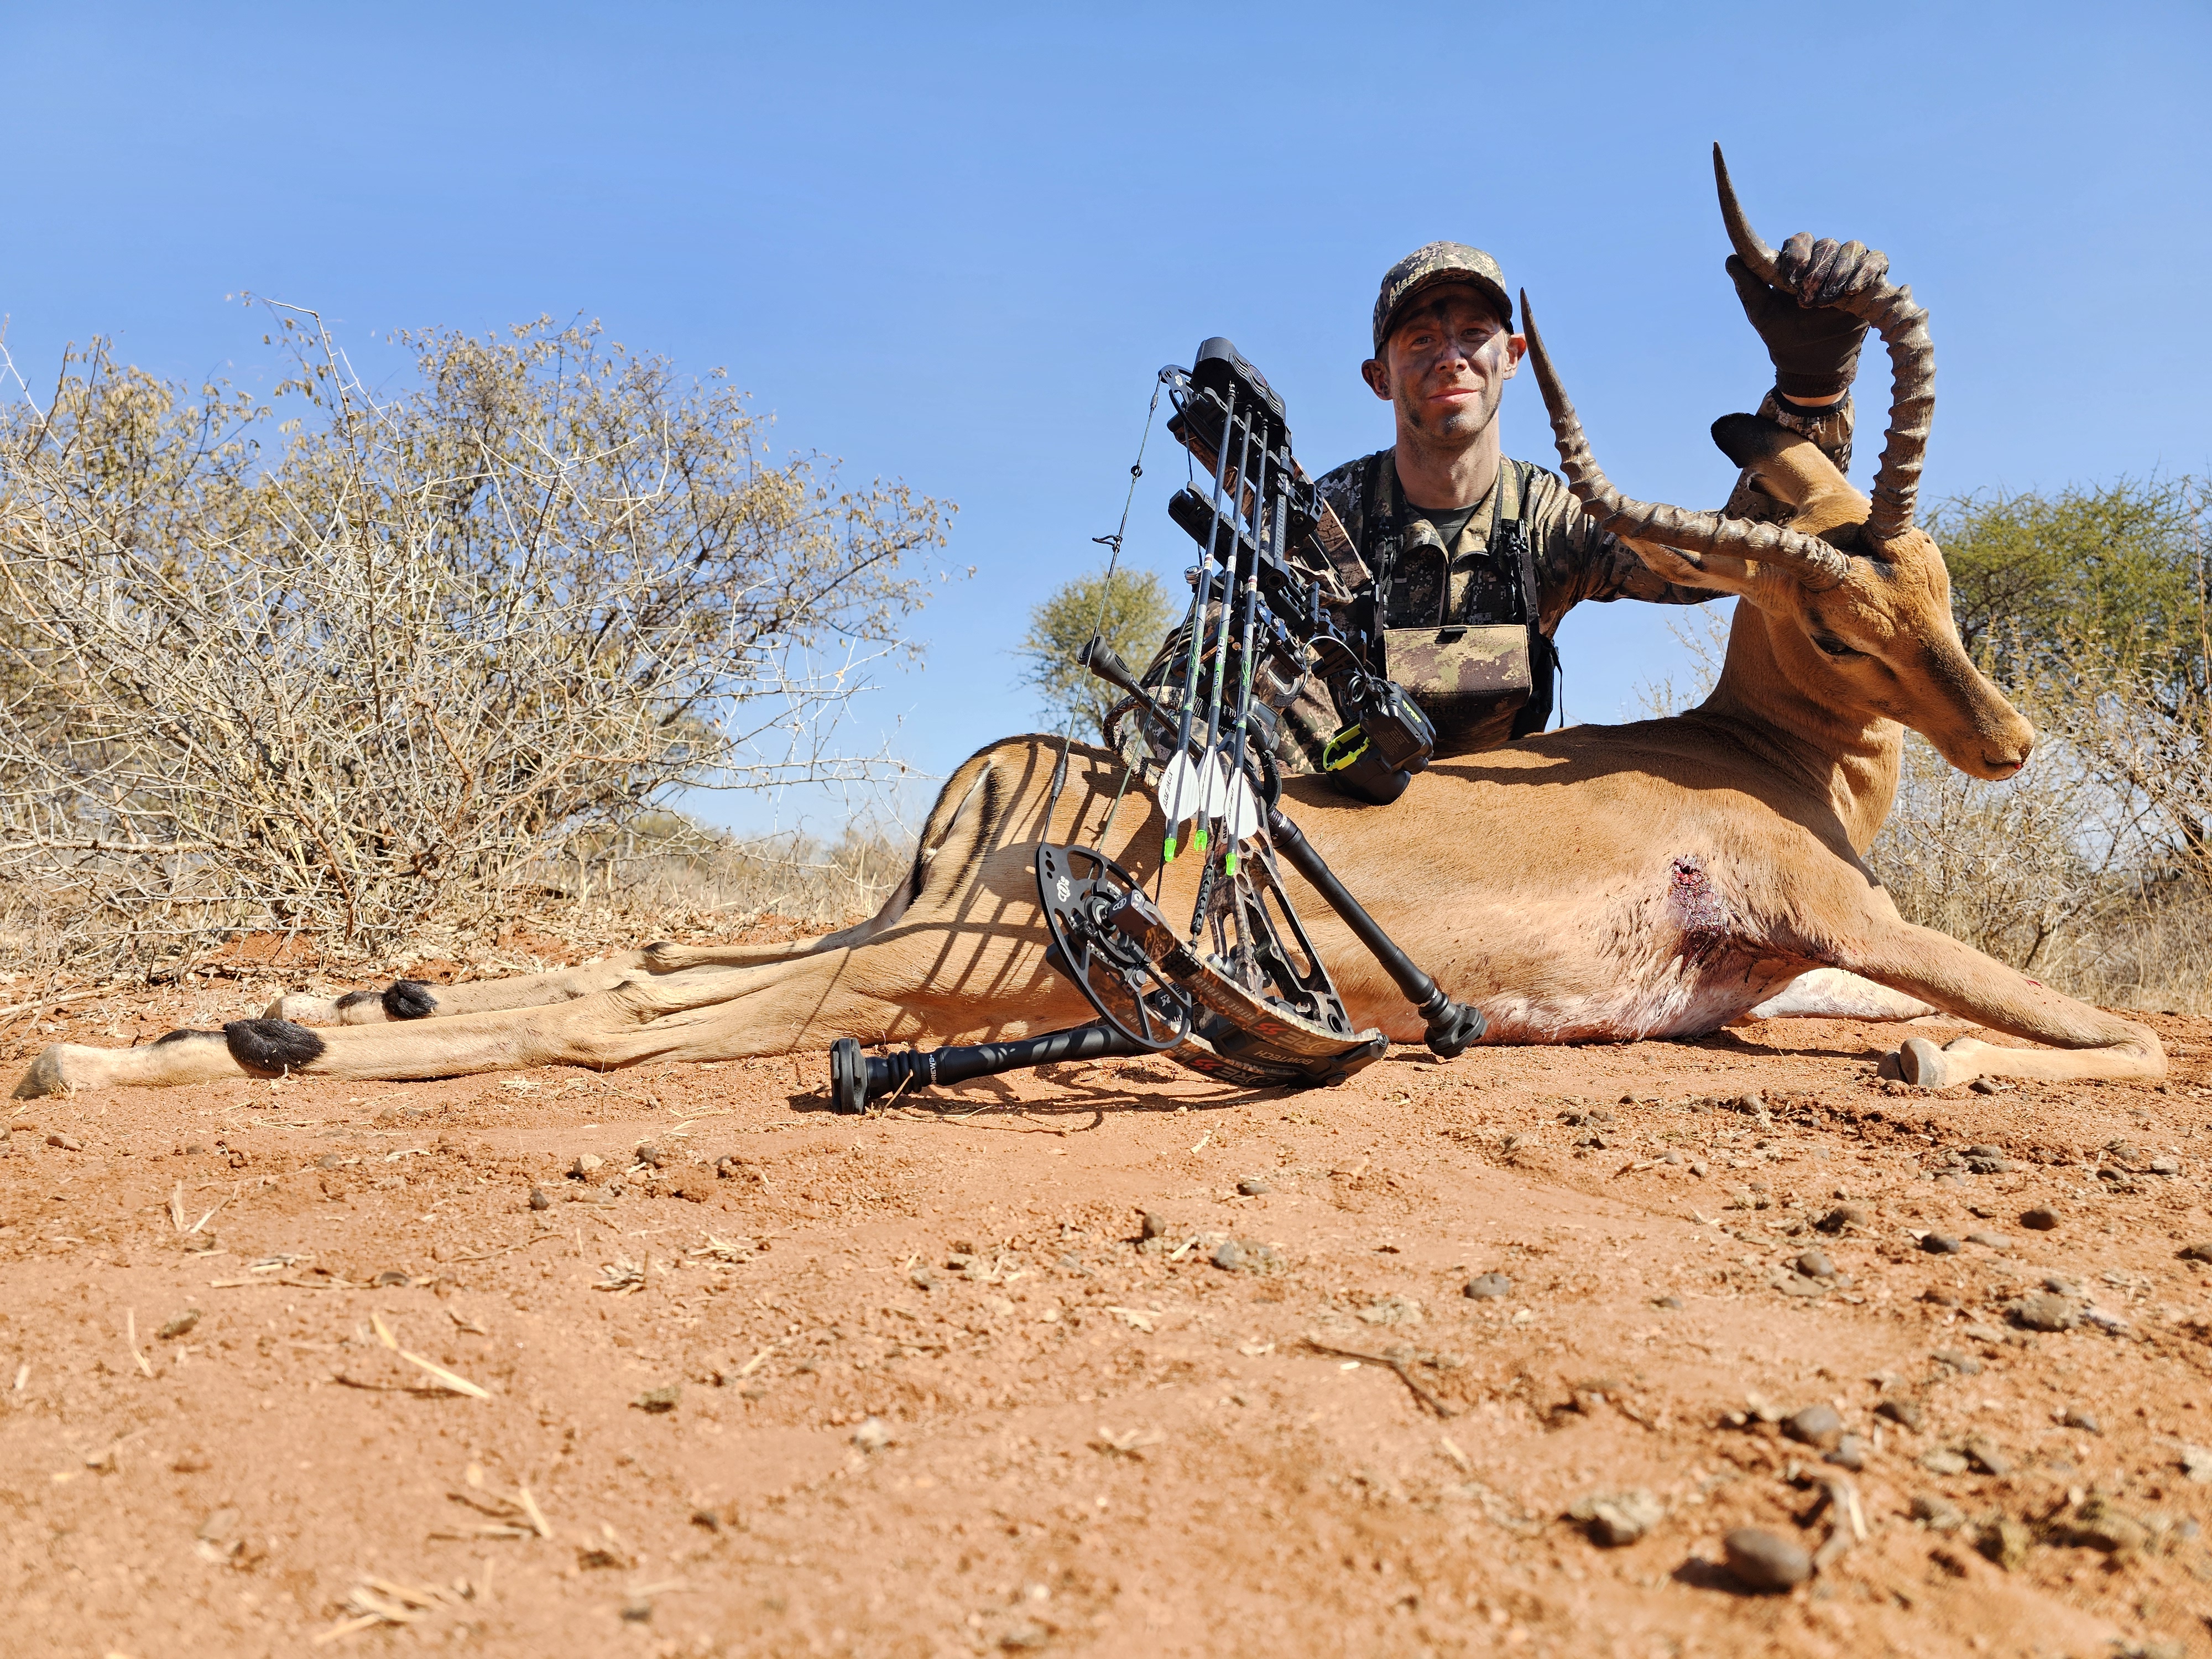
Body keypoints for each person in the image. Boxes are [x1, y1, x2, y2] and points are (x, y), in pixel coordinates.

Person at [1134, 231, 1884, 792]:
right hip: (1338, 817)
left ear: (1513, 355)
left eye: (1473, 335)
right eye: (1420, 339)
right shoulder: (1321, 519)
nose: (1450, 357)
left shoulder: (1552, 519)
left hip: (1501, 830)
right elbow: (1204, 656)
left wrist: (1810, 396)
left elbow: (1716, 566)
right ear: (1378, 377)